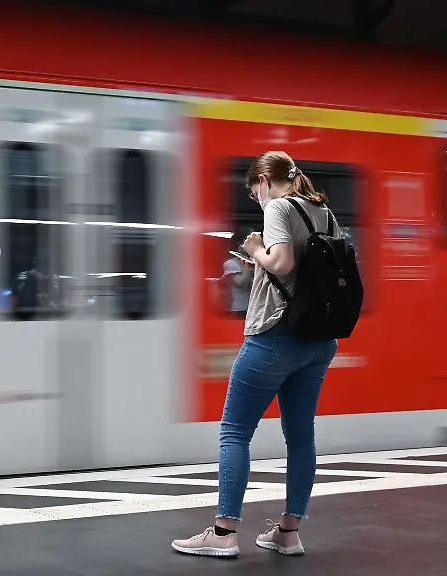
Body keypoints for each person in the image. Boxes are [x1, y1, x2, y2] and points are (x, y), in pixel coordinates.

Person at [171, 151, 340, 558]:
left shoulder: (280, 206)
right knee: (301, 437)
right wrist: (261, 263)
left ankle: (223, 533)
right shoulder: (325, 213)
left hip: (274, 337)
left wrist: (256, 247)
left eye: (254, 192)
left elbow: (281, 262)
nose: (257, 199)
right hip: (318, 341)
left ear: (265, 179)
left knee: (235, 431)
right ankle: (288, 532)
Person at [222, 227, 255, 318]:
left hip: (250, 308)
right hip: (238, 309)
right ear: (240, 244)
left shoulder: (253, 262)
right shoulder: (230, 264)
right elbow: (241, 282)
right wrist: (245, 258)